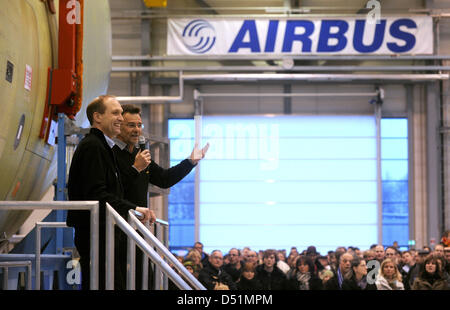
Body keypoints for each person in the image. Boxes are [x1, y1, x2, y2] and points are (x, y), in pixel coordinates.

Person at [66, 95, 154, 290]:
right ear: (97, 117)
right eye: (115, 113)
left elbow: (114, 189)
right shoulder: (93, 147)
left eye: (121, 113)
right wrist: (134, 208)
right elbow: (97, 194)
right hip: (95, 233)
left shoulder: (104, 147)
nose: (121, 118)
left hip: (105, 232)